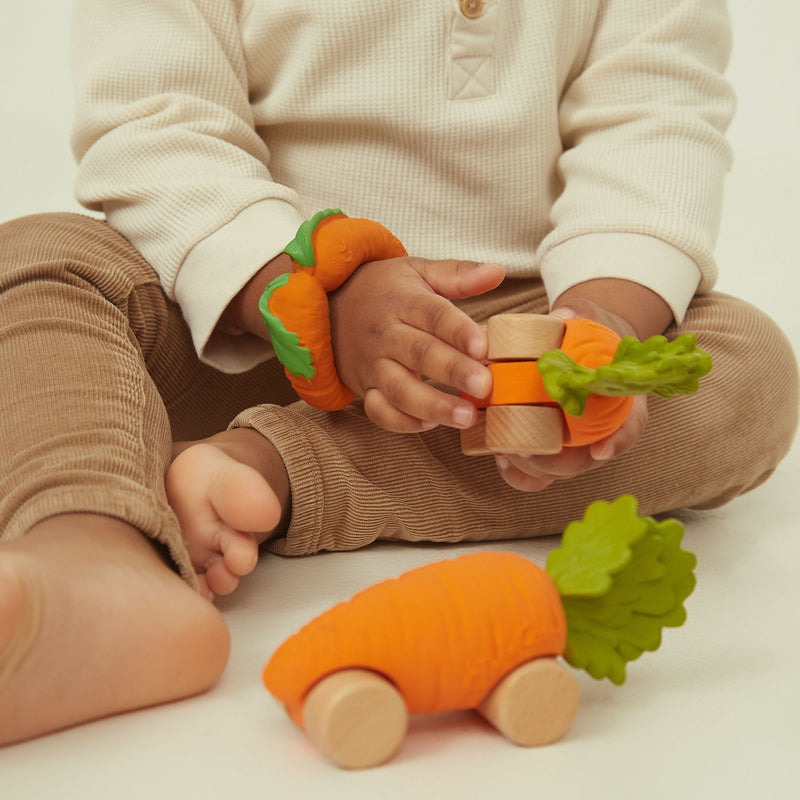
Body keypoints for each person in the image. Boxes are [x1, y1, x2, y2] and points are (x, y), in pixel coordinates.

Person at [1, 0, 797, 746]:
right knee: (40, 258)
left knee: (745, 366)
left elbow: (656, 119)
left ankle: (278, 470)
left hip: (498, 359)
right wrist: (321, 287)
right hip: (234, 308)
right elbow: (156, 120)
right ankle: (91, 556)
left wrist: (599, 329)